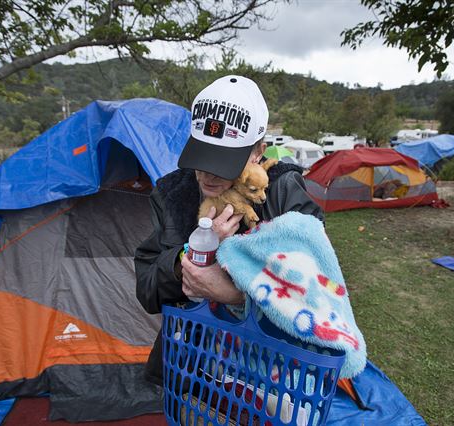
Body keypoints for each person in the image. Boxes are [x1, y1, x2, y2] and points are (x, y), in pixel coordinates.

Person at [134, 75, 324, 385]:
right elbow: (147, 290)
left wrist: (238, 296)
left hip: (267, 371)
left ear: (257, 152)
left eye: (223, 161)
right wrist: (191, 256)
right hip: (191, 365)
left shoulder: (281, 191)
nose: (207, 174)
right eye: (202, 156)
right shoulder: (172, 194)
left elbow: (319, 290)